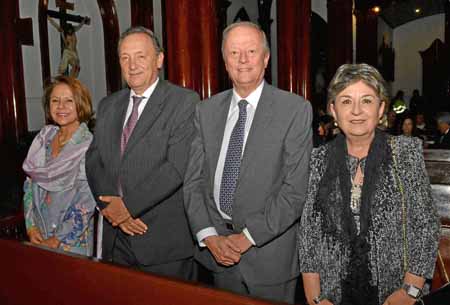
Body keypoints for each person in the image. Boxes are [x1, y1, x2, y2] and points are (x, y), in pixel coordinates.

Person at [184, 21, 312, 303]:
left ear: (266, 58)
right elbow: (193, 183)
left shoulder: (294, 110)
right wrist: (209, 236)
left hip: (269, 259)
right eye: (234, 53)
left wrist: (246, 238)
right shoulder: (205, 111)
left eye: (251, 51)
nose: (242, 60)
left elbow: (295, 190)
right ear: (224, 61)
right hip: (217, 256)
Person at [298, 63, 440, 305]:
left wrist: (409, 292)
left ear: (381, 107)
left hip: (394, 295)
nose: (356, 111)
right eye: (345, 101)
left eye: (366, 101)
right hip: (334, 295)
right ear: (333, 110)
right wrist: (315, 298)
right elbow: (310, 233)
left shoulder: (405, 152)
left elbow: (425, 225)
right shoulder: (320, 158)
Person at [85, 26, 199, 280]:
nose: (132, 65)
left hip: (162, 244)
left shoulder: (184, 102)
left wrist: (127, 208)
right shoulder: (108, 105)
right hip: (116, 240)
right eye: (125, 58)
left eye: (140, 56)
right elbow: (94, 161)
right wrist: (111, 209)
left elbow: (175, 167)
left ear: (159, 60)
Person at [22, 76, 96, 256]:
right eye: (55, 100)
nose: (61, 107)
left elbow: (87, 199)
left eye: (68, 101)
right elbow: (29, 186)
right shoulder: (43, 139)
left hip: (72, 241)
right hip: (39, 235)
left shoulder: (90, 146)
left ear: (81, 104)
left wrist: (57, 240)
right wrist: (31, 226)